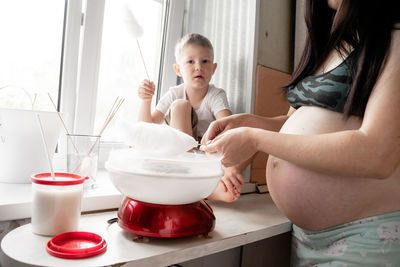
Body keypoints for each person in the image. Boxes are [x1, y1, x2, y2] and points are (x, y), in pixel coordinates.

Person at [201, 0, 400, 265]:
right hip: (306, 238)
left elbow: (376, 154)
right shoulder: (331, 43)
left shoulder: (394, 38)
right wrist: (249, 123)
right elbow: (292, 124)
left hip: (365, 236)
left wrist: (255, 138)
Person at [137, 33, 244, 202]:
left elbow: (229, 127)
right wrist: (146, 100)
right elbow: (146, 127)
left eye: (205, 61)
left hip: (204, 162)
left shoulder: (216, 95)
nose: (198, 67)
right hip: (178, 161)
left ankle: (200, 190)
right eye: (190, 61)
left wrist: (229, 167)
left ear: (214, 68)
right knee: (180, 106)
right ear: (178, 69)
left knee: (230, 193)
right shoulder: (174, 93)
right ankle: (187, 182)